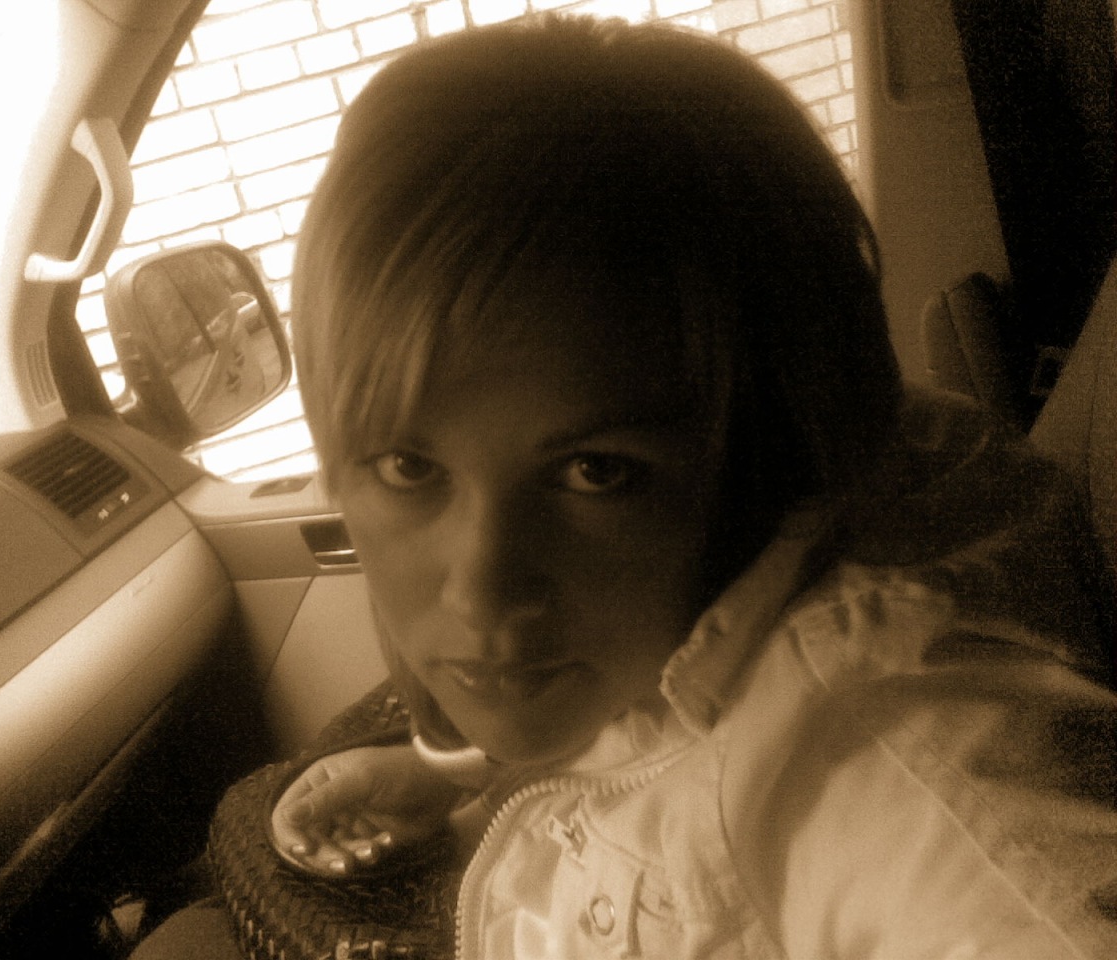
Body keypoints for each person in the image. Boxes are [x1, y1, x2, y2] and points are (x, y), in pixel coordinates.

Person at [157, 14, 1117, 959]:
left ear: (768, 445)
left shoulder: (888, 763)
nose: (482, 590)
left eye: (596, 472)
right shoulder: (781, 532)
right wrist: (456, 774)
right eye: (410, 467)